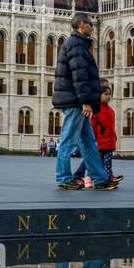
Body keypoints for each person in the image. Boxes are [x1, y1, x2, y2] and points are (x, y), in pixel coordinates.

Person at [51, 12, 115, 191]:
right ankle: (63, 177)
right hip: (75, 102)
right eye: (90, 23)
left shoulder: (78, 44)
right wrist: (85, 102)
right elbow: (79, 76)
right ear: (81, 25)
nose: (93, 27)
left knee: (88, 143)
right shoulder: (76, 45)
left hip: (77, 100)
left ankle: (100, 178)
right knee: (68, 141)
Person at [74, 86, 118, 187]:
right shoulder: (96, 109)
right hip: (100, 142)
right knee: (94, 161)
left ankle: (106, 178)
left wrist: (115, 136)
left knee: (107, 162)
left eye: (109, 94)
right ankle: (90, 177)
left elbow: (111, 126)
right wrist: (93, 139)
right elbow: (92, 126)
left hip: (109, 142)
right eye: (105, 94)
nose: (108, 97)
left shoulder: (111, 111)